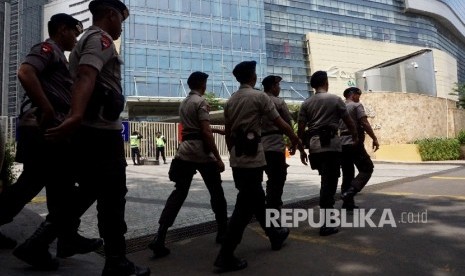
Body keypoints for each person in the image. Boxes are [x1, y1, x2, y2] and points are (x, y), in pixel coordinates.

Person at [45, 1, 150, 275]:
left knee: (91, 191)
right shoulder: (100, 39)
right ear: (111, 15)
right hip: (101, 132)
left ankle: (39, 241)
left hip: (93, 129)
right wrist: (77, 115)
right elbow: (86, 76)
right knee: (113, 197)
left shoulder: (89, 40)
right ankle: (116, 261)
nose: (121, 27)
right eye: (121, 21)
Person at [0, 13, 102, 270]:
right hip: (43, 130)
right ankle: (56, 240)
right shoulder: (47, 49)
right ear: (61, 29)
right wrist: (46, 108)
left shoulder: (60, 57)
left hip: (48, 132)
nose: (76, 38)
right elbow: (25, 71)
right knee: (46, 183)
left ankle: (65, 238)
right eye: (74, 32)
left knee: (57, 184)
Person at [214, 61, 307, 272]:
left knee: (256, 199)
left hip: (238, 158)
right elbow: (281, 123)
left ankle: (275, 234)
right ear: (253, 77)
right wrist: (296, 140)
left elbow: (229, 134)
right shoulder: (259, 97)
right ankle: (226, 254)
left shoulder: (230, 101)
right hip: (253, 158)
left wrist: (232, 156)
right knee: (244, 207)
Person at [148, 71, 228, 258]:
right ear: (202, 84)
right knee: (216, 192)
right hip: (201, 152)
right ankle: (223, 232)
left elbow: (195, 128)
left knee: (179, 193)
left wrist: (215, 129)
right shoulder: (200, 102)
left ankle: (160, 237)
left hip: (184, 151)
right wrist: (217, 157)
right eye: (206, 83)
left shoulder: (184, 103)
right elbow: (205, 133)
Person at [297, 70, 358, 236]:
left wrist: (301, 149)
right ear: (326, 82)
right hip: (331, 146)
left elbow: (301, 128)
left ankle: (327, 218)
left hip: (315, 147)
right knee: (329, 184)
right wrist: (354, 137)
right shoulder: (335, 99)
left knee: (326, 180)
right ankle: (326, 223)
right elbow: (349, 122)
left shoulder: (306, 103)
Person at [339, 87, 379, 210]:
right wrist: (374, 138)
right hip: (354, 142)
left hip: (342, 144)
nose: (359, 97)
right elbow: (364, 123)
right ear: (351, 94)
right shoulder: (356, 106)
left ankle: (348, 203)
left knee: (348, 173)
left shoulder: (339, 107)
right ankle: (349, 193)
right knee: (367, 168)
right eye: (358, 94)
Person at [261, 75, 293, 212]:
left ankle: (266, 205)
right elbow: (288, 124)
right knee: (277, 178)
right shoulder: (278, 102)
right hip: (274, 146)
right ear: (273, 86)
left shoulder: (256, 100)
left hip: (257, 145)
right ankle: (273, 208)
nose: (279, 88)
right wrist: (294, 141)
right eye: (278, 85)